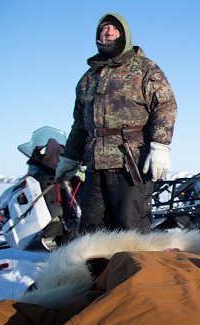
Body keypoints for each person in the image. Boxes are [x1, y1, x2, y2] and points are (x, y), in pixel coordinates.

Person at [55, 13, 177, 233]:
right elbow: (80, 124)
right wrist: (70, 157)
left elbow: (165, 105)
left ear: (125, 35)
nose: (109, 32)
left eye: (115, 29)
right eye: (104, 29)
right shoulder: (88, 78)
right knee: (91, 234)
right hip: (95, 167)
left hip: (131, 165)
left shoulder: (144, 68)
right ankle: (98, 269)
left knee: (131, 231)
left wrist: (160, 146)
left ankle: (135, 268)